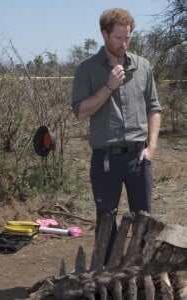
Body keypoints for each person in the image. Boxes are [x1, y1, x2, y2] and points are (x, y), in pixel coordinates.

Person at [71, 8, 161, 263]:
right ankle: (104, 277)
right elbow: (80, 111)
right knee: (106, 220)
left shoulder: (142, 66)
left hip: (139, 157)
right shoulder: (87, 69)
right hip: (106, 159)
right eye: (118, 38)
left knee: (144, 220)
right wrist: (109, 85)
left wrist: (151, 148)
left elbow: (154, 108)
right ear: (104, 34)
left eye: (128, 38)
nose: (123, 43)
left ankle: (141, 272)